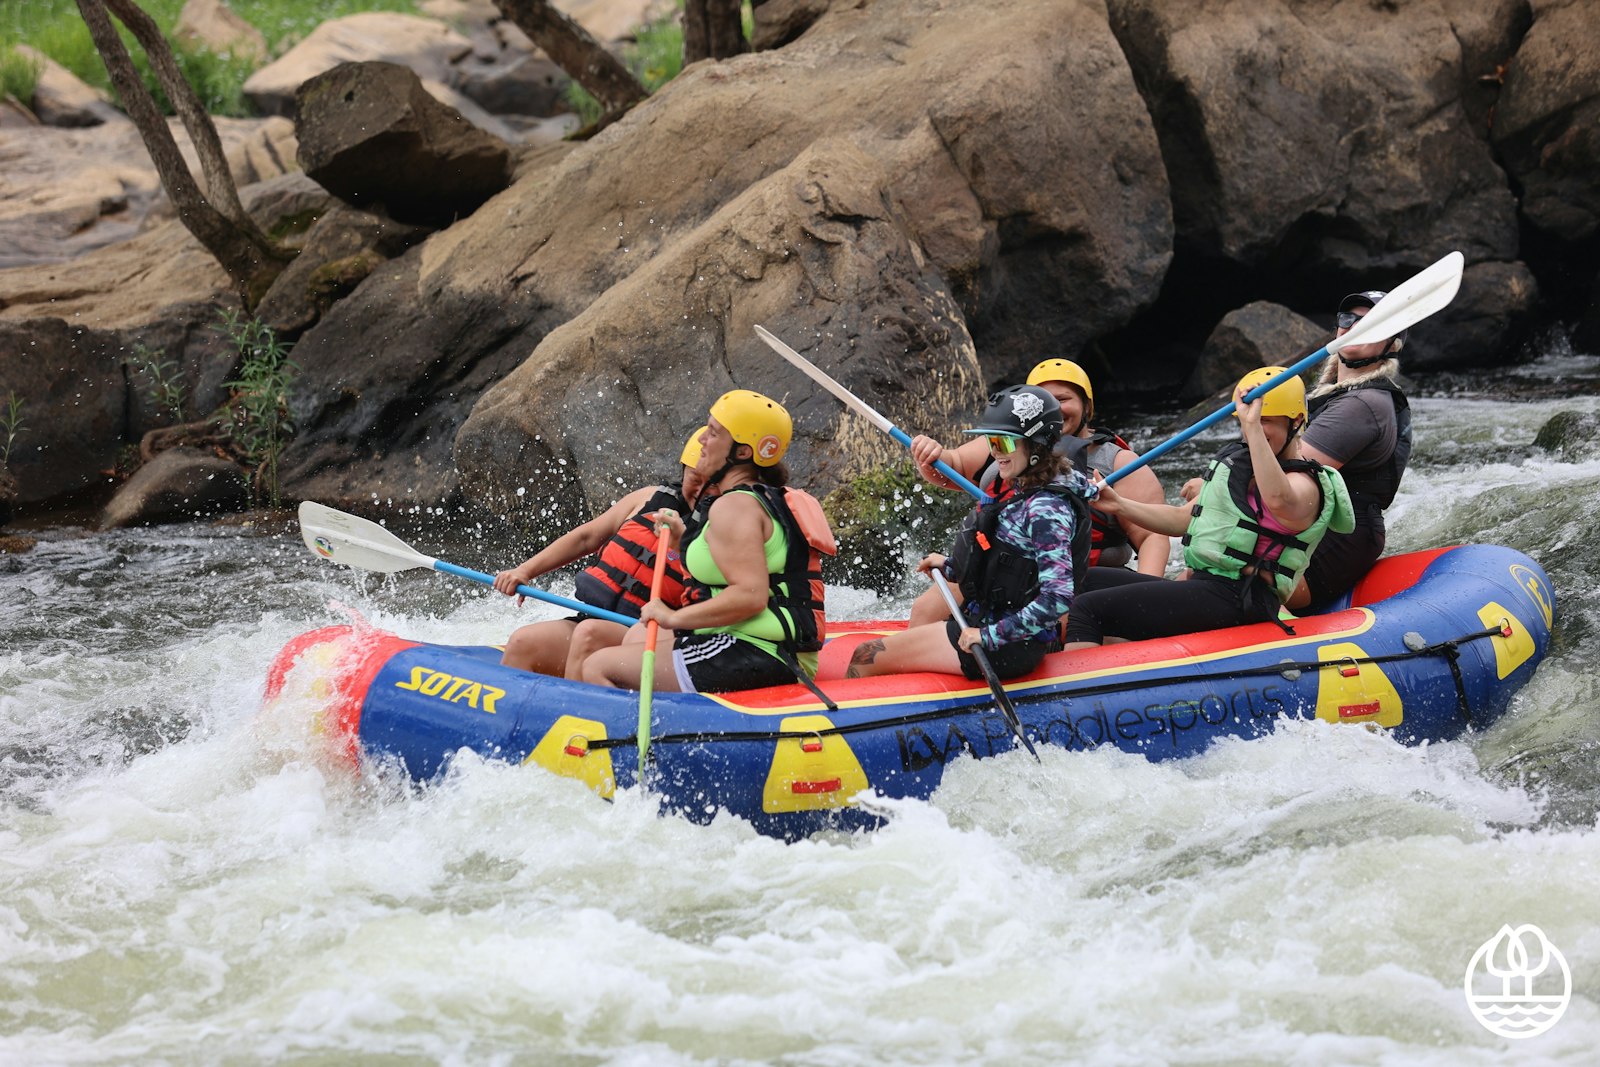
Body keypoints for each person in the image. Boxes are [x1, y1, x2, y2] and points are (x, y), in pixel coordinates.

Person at [1061, 368, 1354, 650]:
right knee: (1083, 578)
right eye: (1249, 420)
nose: (1255, 427)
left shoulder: (1307, 485)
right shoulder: (1238, 470)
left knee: (1089, 608)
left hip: (1243, 597)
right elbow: (1181, 520)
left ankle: (1071, 693)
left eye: (1267, 420)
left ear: (1296, 421)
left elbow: (1279, 499)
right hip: (1205, 588)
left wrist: (1252, 429)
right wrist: (1120, 504)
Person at [582, 390, 837, 694]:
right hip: (770, 648)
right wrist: (681, 543)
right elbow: (735, 573)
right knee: (638, 635)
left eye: (714, 433)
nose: (702, 439)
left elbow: (750, 597)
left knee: (599, 667)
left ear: (742, 452)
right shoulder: (759, 498)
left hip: (760, 652)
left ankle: (641, 739)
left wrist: (674, 615)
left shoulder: (735, 506)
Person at [847, 385, 1094, 681]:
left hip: (1007, 644)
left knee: (865, 657)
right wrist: (951, 566)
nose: (994, 453)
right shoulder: (1024, 487)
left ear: (1036, 445)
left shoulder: (1045, 508)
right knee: (871, 653)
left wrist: (988, 636)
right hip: (991, 625)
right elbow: (1009, 563)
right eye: (991, 442)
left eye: (1003, 443)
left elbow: (1058, 597)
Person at [906, 359, 1168, 627]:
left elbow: (1151, 537)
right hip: (1002, 567)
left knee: (1063, 620)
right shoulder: (1002, 442)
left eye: (1063, 399)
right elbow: (950, 468)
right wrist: (930, 455)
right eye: (1042, 400)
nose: (1053, 408)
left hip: (1076, 576)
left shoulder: (1119, 463)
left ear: (1087, 406)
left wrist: (1147, 596)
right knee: (925, 609)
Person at [492, 427, 709, 678]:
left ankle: (575, 715)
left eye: (709, 482)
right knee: (522, 643)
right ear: (683, 471)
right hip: (594, 615)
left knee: (589, 635)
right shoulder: (648, 498)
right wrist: (525, 570)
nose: (700, 490)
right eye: (695, 478)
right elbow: (587, 538)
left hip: (645, 634)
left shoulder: (718, 529)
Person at [1290, 289, 1413, 612]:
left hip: (1337, 540)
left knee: (1225, 583)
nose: (1356, 326)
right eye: (1348, 320)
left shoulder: (1362, 405)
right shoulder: (1342, 396)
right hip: (1309, 528)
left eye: (1372, 322)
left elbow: (1284, 477)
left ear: (1392, 343)